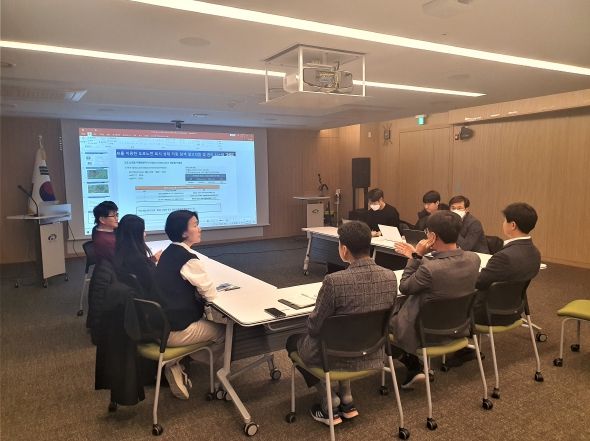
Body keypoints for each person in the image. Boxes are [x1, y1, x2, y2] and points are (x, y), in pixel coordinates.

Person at [286, 221, 397, 426]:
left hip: (332, 356)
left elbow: (314, 327)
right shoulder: (390, 276)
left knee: (293, 341)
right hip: (371, 352)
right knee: (348, 335)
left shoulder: (334, 281)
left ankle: (328, 398)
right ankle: (347, 396)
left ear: (344, 249)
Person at [391, 210, 480, 388]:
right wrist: (417, 256)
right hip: (457, 327)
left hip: (425, 332)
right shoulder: (474, 259)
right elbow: (442, 267)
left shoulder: (430, 269)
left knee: (382, 322)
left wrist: (416, 256)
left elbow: (405, 287)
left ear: (432, 236)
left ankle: (413, 364)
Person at [155, 210, 225, 400]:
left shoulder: (168, 252)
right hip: (175, 330)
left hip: (157, 325)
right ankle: (175, 362)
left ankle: (179, 360)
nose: (199, 229)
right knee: (226, 333)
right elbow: (210, 295)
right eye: (195, 225)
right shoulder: (189, 259)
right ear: (184, 232)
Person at [474, 202, 542, 324]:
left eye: (505, 220)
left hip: (488, 313)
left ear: (513, 225)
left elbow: (479, 282)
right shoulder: (535, 252)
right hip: (514, 309)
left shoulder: (504, 257)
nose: (503, 223)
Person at [113, 214, 160, 300]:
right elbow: (155, 283)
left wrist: (151, 261)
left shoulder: (117, 253)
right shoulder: (138, 260)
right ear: (136, 235)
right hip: (150, 301)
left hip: (134, 301)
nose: (145, 234)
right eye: (143, 231)